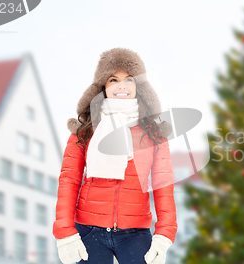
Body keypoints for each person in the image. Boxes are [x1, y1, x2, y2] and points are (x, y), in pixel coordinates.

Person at [52, 47, 177, 264]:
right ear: (103, 86)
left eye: (129, 79)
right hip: (88, 232)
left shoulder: (154, 134)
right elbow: (68, 181)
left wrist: (164, 235)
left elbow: (163, 186)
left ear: (139, 86)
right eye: (113, 79)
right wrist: (64, 233)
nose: (121, 85)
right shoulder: (84, 132)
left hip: (135, 233)